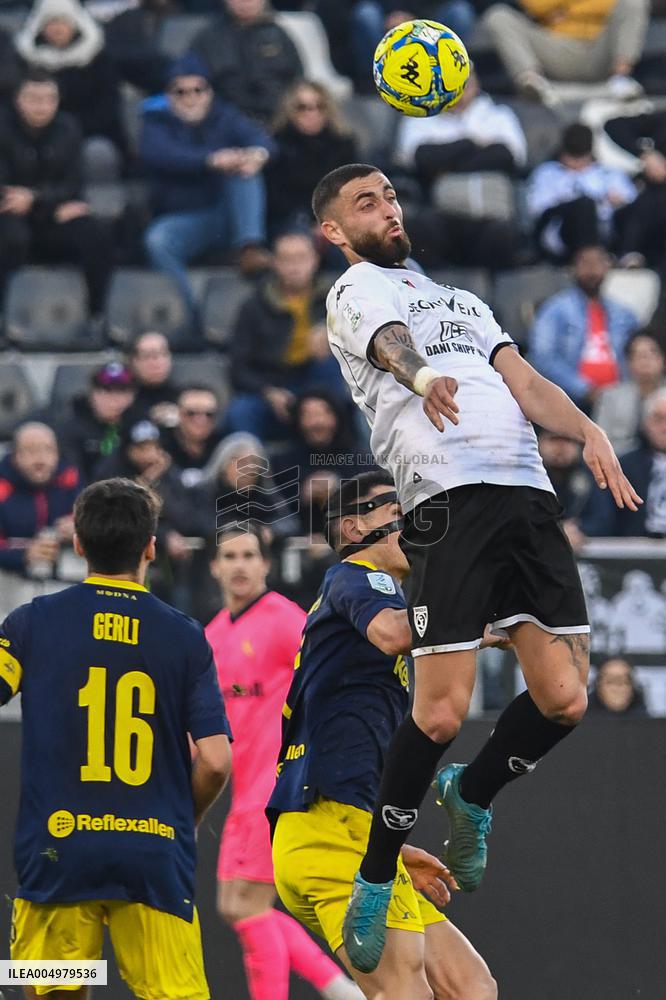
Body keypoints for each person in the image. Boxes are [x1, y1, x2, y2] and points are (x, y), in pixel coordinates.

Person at [312, 162, 642, 972]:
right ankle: (376, 875)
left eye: (389, 195)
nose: (386, 208)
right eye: (366, 201)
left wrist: (588, 431)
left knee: (565, 699)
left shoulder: (463, 300)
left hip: (528, 502)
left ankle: (472, 794)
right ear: (333, 230)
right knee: (438, 715)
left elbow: (523, 381)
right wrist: (422, 375)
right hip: (445, 507)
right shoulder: (357, 291)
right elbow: (391, 347)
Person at [0, 477, 232, 999]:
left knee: (53, 992)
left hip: (57, 854)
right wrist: (181, 820)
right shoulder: (185, 635)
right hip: (152, 855)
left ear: (78, 544)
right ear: (151, 546)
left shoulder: (31, 622)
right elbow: (216, 761)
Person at [268, 471, 497, 1000]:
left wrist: (390, 845)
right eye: (393, 506)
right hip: (327, 834)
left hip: (356, 835)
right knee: (404, 993)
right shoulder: (359, 575)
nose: (411, 518)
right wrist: (468, 618)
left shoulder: (376, 596)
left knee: (471, 988)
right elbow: (396, 633)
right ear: (353, 527)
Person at [206, 522, 363, 1000]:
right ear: (215, 567)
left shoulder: (283, 619)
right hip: (242, 788)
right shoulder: (214, 634)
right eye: (230, 556)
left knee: (247, 905)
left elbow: (331, 670)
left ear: (267, 565)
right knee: (236, 905)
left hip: (276, 785)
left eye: (249, 555)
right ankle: (342, 989)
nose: (239, 566)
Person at [141, 54, 275, 318]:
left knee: (245, 169)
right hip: (183, 218)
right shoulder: (155, 122)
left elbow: (264, 141)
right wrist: (211, 160)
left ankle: (250, 247)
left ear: (209, 92)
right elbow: (158, 153)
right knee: (158, 241)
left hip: (228, 214)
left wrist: (257, 155)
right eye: (180, 91)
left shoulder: (226, 116)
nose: (190, 97)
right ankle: (187, 314)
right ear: (168, 96)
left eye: (198, 89)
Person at [0, 70, 114, 314]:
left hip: (53, 214)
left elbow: (74, 184)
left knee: (95, 235)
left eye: (49, 99)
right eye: (33, 98)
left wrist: (36, 199)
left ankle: (96, 315)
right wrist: (43, 200)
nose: (41, 106)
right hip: (9, 214)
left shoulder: (68, 128)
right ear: (17, 99)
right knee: (10, 238)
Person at [226, 230, 345, 439]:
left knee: (330, 369)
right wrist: (268, 391)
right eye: (286, 259)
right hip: (271, 386)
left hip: (316, 384)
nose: (294, 266)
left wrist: (333, 334)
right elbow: (238, 367)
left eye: (301, 258)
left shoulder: (333, 299)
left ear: (315, 260)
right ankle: (250, 469)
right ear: (275, 263)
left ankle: (337, 460)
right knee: (241, 411)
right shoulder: (255, 306)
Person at [15, 0, 127, 163]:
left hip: (93, 131)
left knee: (97, 152)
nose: (58, 28)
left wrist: (74, 131)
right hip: (38, 134)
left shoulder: (97, 57)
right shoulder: (26, 60)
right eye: (51, 22)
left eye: (63, 21)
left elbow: (109, 102)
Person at [529, 245, 639, 410]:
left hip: (619, 398)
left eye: (598, 263)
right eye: (586, 263)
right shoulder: (554, 309)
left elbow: (637, 354)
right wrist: (585, 390)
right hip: (571, 400)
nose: (592, 270)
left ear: (607, 267)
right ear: (573, 268)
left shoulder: (624, 313)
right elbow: (543, 358)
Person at [482, 0, 648, 107]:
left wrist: (562, 7)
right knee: (498, 16)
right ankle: (533, 83)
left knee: (634, 2)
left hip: (601, 47)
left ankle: (620, 80)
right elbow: (536, 5)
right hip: (555, 47)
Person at [527, 125, 637, 262]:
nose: (576, 163)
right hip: (563, 233)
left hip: (605, 232)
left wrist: (619, 202)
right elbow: (538, 210)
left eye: (581, 157)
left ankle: (625, 255)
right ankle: (588, 261)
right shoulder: (547, 173)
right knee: (584, 205)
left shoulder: (609, 174)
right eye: (572, 156)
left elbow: (634, 205)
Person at [267, 80, 358, 236]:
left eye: (319, 106)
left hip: (337, 221)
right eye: (302, 107)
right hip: (290, 222)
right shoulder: (276, 146)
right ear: (290, 111)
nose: (312, 113)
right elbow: (276, 200)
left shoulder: (344, 145)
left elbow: (352, 191)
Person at [192, 0, 303, 125]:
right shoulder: (208, 38)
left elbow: (297, 80)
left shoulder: (279, 35)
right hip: (224, 122)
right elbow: (192, 81)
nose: (245, 3)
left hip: (278, 120)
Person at [0, 422, 81, 579]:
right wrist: (24, 554)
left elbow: (94, 524)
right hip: (9, 583)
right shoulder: (3, 486)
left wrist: (79, 528)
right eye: (30, 451)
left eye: (48, 450)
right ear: (15, 455)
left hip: (64, 578)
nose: (40, 459)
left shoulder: (70, 477)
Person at [582, 386, 666, 536]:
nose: (664, 427)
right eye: (658, 419)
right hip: (632, 553)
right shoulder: (621, 467)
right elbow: (602, 520)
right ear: (645, 423)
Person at [57, 361, 136, 482]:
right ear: (92, 394)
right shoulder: (72, 429)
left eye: (122, 391)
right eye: (106, 390)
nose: (114, 399)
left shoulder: (138, 427)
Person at [593, 330, 666, 454]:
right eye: (638, 356)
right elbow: (599, 440)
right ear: (628, 362)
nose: (645, 362)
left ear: (663, 360)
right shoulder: (611, 396)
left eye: (650, 355)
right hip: (619, 462)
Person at [160, 385, 224, 487]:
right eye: (191, 413)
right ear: (177, 414)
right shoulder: (160, 446)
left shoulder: (224, 448)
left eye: (209, 414)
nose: (201, 420)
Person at [125, 330, 180, 427]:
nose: (156, 363)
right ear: (133, 361)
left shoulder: (183, 397)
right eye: (147, 356)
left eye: (162, 354)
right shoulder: (122, 397)